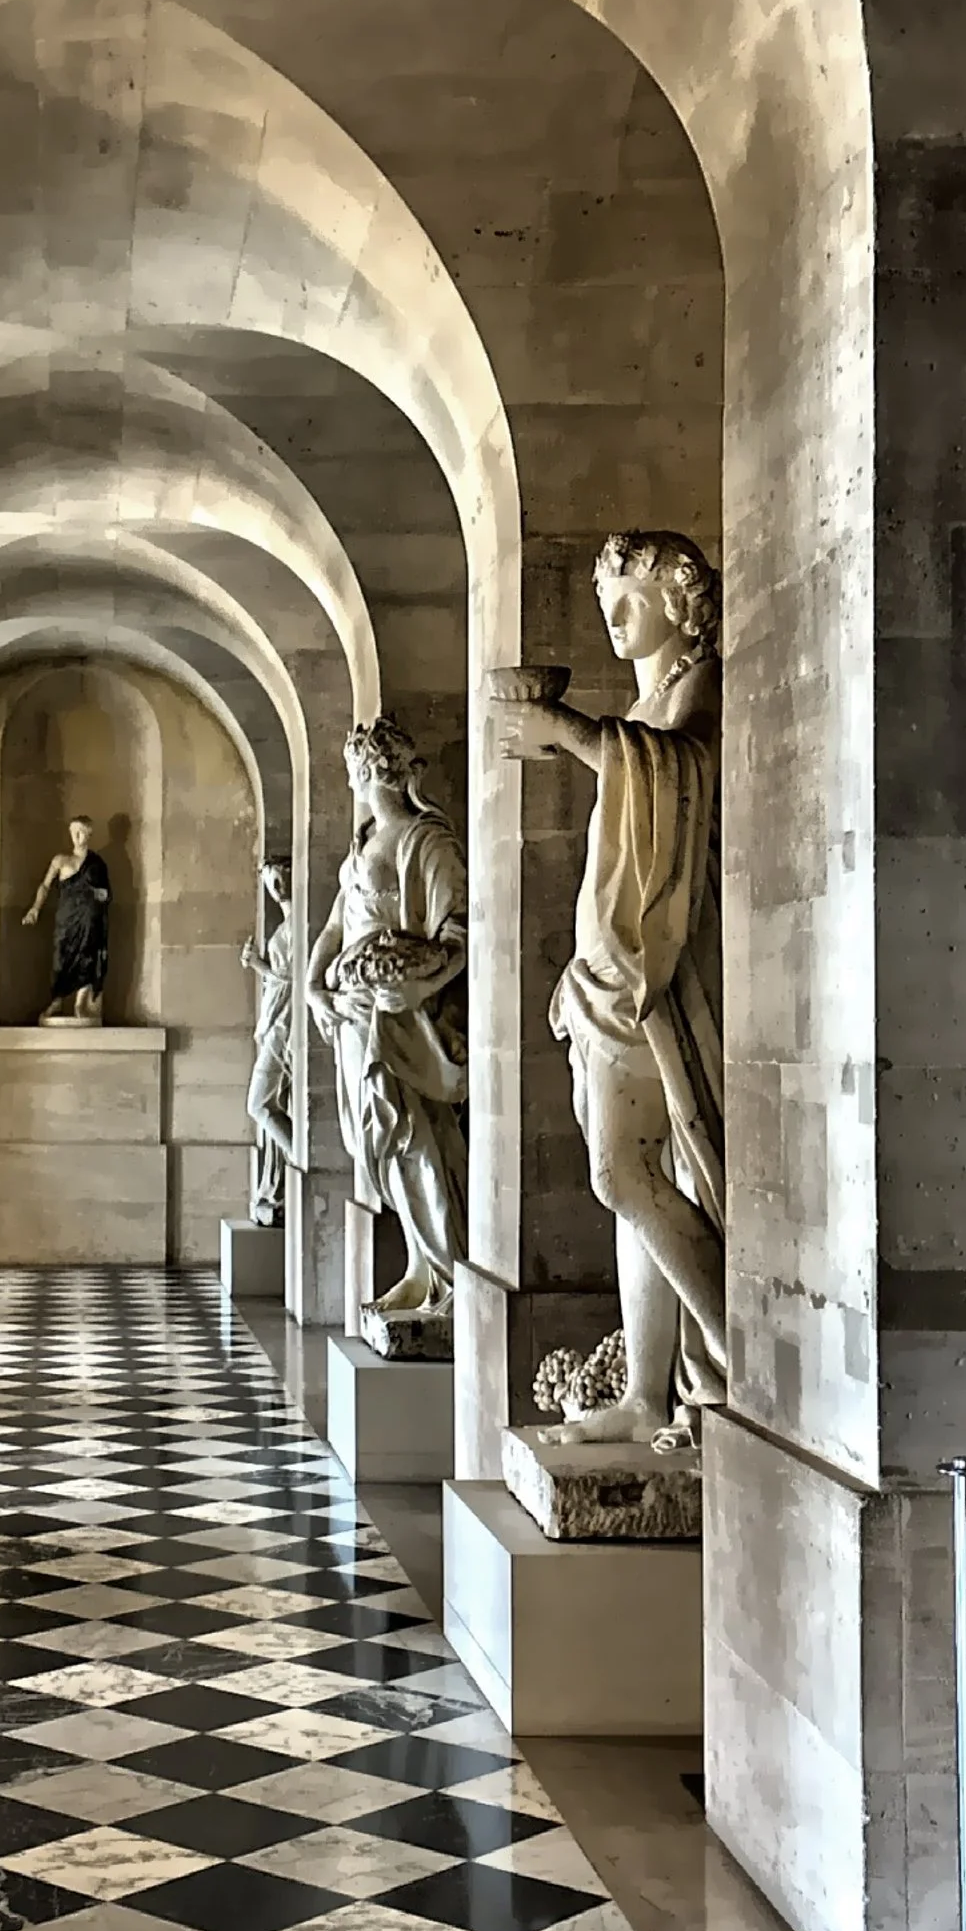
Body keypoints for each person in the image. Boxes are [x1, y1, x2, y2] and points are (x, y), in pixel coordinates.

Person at [491, 530, 724, 1448]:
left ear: (679, 600)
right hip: (610, 970)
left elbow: (683, 775)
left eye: (628, 600)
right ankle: (646, 1390)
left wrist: (577, 736)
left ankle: (733, 1355)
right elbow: (642, 772)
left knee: (621, 1174)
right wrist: (587, 739)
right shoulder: (652, 698)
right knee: (631, 1183)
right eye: (607, 604)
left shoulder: (702, 686)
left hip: (652, 976)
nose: (615, 619)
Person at [304, 717, 469, 1331]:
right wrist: (316, 991)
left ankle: (451, 1275)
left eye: (353, 766)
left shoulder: (425, 843)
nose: (349, 777)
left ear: (374, 769)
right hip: (354, 1018)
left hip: (403, 1021)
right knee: (379, 1148)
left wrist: (411, 987)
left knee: (418, 1141)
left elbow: (458, 937)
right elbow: (333, 928)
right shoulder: (364, 842)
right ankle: (421, 1271)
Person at [240, 858, 296, 1223]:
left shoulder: (298, 927)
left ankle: (304, 1161)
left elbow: (293, 980)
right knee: (267, 1106)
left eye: (278, 877)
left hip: (285, 1027)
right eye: (268, 881)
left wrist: (258, 965)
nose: (274, 887)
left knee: (258, 1105)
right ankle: (279, 1184)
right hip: (277, 1023)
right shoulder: (289, 927)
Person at [22, 813, 109, 1023]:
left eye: (80, 831)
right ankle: (57, 1000)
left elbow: (106, 894)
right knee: (60, 956)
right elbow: (45, 886)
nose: (76, 836)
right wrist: (35, 909)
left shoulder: (97, 864)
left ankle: (81, 1002)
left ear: (89, 833)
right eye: (73, 831)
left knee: (87, 956)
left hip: (88, 919)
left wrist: (97, 894)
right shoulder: (61, 860)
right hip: (66, 918)